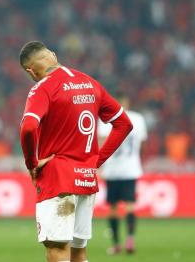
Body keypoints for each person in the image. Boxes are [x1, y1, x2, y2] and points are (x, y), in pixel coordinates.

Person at [19, 41, 133, 262]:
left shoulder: (42, 88)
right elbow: (124, 124)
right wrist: (95, 161)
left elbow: (28, 127)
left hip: (58, 179)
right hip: (85, 179)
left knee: (57, 249)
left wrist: (32, 163)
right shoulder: (89, 83)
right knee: (78, 252)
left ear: (30, 71)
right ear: (52, 54)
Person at [98, 93, 147, 255]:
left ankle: (117, 244)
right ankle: (130, 240)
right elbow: (142, 143)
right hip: (131, 169)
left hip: (112, 170)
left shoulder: (105, 119)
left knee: (112, 208)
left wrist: (98, 167)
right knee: (130, 205)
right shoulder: (138, 119)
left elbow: (100, 143)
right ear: (127, 101)